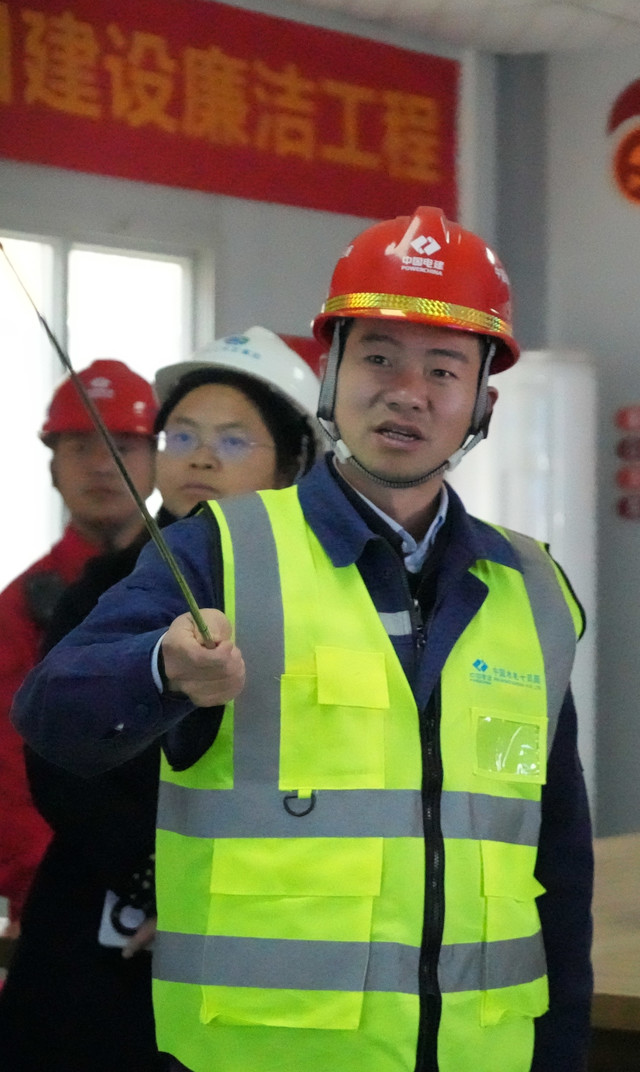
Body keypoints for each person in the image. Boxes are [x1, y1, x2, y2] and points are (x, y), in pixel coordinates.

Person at [15, 207, 594, 1072]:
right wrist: (161, 667)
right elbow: (52, 716)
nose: (408, 391)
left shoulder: (531, 589)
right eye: (378, 358)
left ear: (484, 403)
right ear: (330, 374)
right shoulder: (219, 552)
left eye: (443, 369)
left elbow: (560, 864)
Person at [0, 328, 325, 1071]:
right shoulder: (101, 590)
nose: (202, 458)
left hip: (269, 934)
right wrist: (154, 882)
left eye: (234, 440)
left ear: (293, 463)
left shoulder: (327, 600)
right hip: (100, 930)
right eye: (182, 436)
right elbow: (54, 755)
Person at [0, 360, 156, 930]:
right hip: (64, 899)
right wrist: (50, 891)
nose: (102, 465)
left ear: (156, 460)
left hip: (193, 888)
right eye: (80, 446)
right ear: (51, 468)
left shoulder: (205, 585)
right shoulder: (19, 609)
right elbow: (9, 772)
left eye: (123, 446)